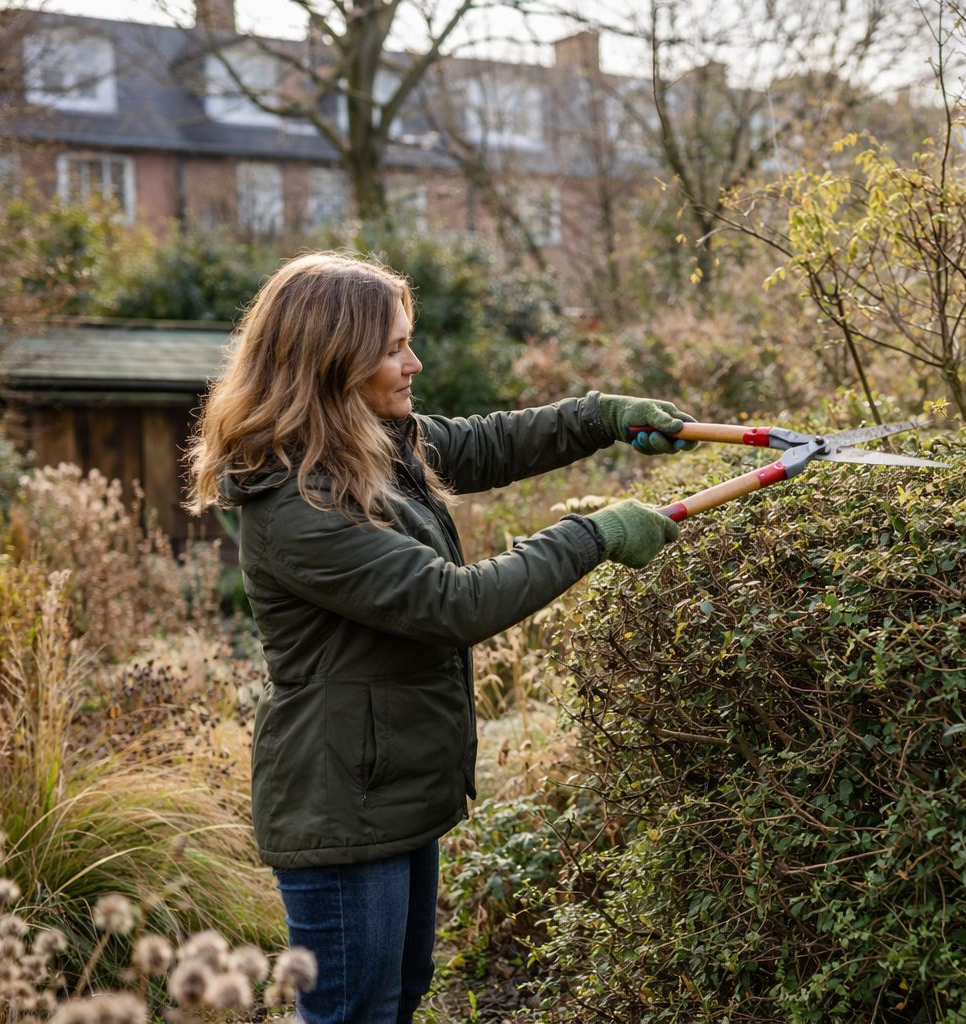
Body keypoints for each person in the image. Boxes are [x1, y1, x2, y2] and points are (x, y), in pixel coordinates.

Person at [183, 250, 694, 1024]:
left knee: (399, 1000)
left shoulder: (370, 445)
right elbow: (452, 603)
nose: (413, 362)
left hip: (390, 789)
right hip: (341, 809)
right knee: (357, 1016)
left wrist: (600, 416)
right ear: (333, 362)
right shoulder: (295, 507)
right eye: (393, 348)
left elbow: (486, 443)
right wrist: (594, 534)